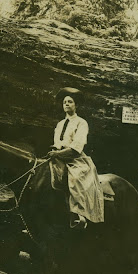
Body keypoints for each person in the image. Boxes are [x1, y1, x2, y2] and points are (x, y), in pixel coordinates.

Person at [47, 87, 104, 229]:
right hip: (58, 156)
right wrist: (54, 152)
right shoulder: (59, 124)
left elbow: (76, 147)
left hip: (75, 159)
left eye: (70, 102)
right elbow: (57, 143)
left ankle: (79, 214)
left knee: (75, 178)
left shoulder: (81, 123)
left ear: (76, 105)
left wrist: (59, 154)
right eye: (64, 102)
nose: (66, 104)